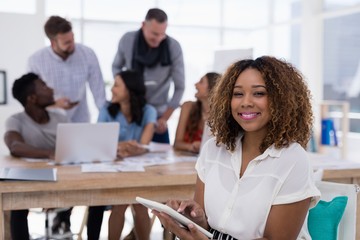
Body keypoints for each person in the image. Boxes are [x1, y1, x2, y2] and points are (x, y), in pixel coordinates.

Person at [153, 56, 321, 240]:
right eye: (238, 94)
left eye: (259, 93)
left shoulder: (293, 160)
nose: (245, 102)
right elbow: (206, 227)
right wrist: (193, 219)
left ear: (281, 100)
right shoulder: (212, 150)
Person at [27, 15, 106, 234]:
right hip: (50, 124)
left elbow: (99, 92)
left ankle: (64, 217)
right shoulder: (36, 60)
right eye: (66, 42)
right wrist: (54, 103)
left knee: (81, 174)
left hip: (80, 121)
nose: (72, 45)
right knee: (56, 172)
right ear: (53, 42)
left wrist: (106, 120)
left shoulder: (87, 54)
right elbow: (31, 98)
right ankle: (57, 214)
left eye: (72, 39)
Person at [87, 70, 157, 240]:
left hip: (139, 170)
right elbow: (97, 142)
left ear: (130, 90)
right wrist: (127, 145)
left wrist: (118, 146)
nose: (112, 89)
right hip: (112, 169)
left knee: (140, 205)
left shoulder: (148, 110)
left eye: (117, 85)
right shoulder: (107, 110)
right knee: (120, 203)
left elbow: (143, 145)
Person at [4, 73, 69, 240]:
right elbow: (14, 146)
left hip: (65, 179)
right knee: (17, 204)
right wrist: (49, 153)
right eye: (44, 86)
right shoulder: (15, 120)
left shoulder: (61, 118)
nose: (51, 89)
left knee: (97, 202)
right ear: (32, 98)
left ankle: (62, 225)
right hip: (30, 180)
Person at [112, 8, 185, 144]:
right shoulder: (128, 40)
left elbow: (180, 87)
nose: (158, 39)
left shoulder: (173, 47)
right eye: (154, 34)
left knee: (161, 161)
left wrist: (164, 118)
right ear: (143, 25)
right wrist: (122, 87)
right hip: (130, 112)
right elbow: (116, 66)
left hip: (158, 115)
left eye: (162, 34)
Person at [174, 72, 220, 153]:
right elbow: (177, 143)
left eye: (201, 82)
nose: (196, 84)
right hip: (185, 161)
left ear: (212, 89)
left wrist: (203, 146)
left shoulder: (221, 115)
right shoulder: (187, 107)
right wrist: (192, 147)